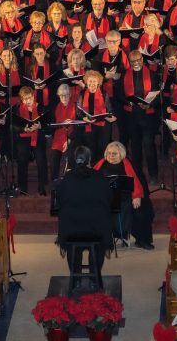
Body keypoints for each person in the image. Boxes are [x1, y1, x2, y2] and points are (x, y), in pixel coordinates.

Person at [56, 146, 113, 281]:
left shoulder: (67, 178)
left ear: (74, 159)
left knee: (72, 246)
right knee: (99, 242)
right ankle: (95, 277)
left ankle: (75, 279)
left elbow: (59, 201)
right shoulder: (99, 176)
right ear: (90, 160)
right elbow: (109, 199)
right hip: (96, 229)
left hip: (71, 229)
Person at [93, 142, 154, 250]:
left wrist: (137, 196)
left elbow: (138, 183)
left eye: (115, 154)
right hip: (105, 199)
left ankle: (141, 240)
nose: (111, 156)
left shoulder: (129, 165)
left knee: (140, 212)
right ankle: (105, 240)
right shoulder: (100, 165)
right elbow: (91, 183)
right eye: (109, 153)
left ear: (121, 154)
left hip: (127, 198)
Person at [118, 49, 159, 185]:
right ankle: (137, 175)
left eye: (138, 60)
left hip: (147, 116)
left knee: (148, 145)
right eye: (133, 61)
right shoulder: (125, 75)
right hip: (131, 115)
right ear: (129, 62)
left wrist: (149, 104)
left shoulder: (152, 75)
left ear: (142, 60)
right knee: (135, 147)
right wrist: (128, 101)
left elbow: (157, 95)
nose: (136, 63)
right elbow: (119, 95)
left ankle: (153, 174)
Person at [14, 86, 48, 195]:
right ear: (21, 99)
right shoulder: (17, 109)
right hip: (23, 137)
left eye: (30, 98)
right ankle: (22, 188)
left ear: (33, 96)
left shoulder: (40, 107)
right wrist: (23, 128)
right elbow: (13, 126)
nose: (28, 101)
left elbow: (47, 123)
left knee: (41, 160)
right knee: (22, 159)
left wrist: (39, 126)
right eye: (25, 99)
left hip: (37, 136)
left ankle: (42, 187)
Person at [77, 70, 116, 161]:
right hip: (89, 125)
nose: (92, 83)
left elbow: (110, 110)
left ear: (98, 82)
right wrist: (84, 118)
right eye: (90, 81)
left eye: (94, 81)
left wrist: (111, 117)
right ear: (86, 82)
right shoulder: (82, 94)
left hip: (103, 126)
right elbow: (78, 111)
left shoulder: (104, 94)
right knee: (90, 150)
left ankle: (100, 170)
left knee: (102, 151)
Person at [50, 83, 78, 181]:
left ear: (70, 95)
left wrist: (69, 140)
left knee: (71, 155)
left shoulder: (76, 106)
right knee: (54, 158)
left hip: (72, 136)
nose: (63, 97)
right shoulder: (56, 107)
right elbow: (53, 125)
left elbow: (78, 128)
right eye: (61, 95)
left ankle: (71, 181)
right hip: (59, 136)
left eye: (66, 95)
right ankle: (54, 181)